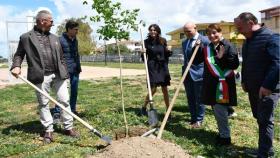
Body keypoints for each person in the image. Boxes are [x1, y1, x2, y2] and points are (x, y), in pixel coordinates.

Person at [10, 10, 79, 144]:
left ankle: (68, 127)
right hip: (41, 76)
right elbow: (19, 54)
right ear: (43, 21)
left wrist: (64, 70)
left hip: (58, 75)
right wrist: (16, 65)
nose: (53, 24)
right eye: (51, 21)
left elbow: (61, 57)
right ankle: (48, 129)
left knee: (64, 100)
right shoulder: (26, 37)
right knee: (43, 103)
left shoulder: (54, 38)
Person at [234, 12, 279, 157]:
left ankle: (264, 153)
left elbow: (277, 64)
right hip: (253, 87)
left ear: (251, 23)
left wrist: (267, 86)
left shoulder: (271, 38)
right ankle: (265, 149)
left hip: (267, 89)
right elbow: (246, 63)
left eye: (240, 28)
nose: (238, 31)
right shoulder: (248, 40)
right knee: (259, 118)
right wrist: (244, 81)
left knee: (265, 121)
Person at [197, 24, 239, 145]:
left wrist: (221, 58)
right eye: (209, 33)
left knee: (220, 112)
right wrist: (197, 48)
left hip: (223, 86)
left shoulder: (228, 46)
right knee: (217, 111)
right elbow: (198, 60)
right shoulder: (208, 47)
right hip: (211, 84)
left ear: (220, 33)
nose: (212, 35)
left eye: (214, 32)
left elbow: (234, 65)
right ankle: (222, 133)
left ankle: (225, 138)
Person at [140, 24, 172, 115]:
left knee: (164, 89)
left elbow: (166, 55)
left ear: (158, 31)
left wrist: (169, 51)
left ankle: (168, 110)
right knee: (153, 89)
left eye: (154, 30)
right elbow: (144, 58)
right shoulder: (146, 42)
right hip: (152, 67)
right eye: (151, 30)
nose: (152, 31)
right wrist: (142, 53)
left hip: (162, 67)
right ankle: (144, 107)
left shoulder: (163, 41)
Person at [182, 22, 209, 128]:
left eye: (189, 31)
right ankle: (193, 118)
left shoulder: (205, 40)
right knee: (190, 97)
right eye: (185, 32)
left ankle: (199, 120)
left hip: (199, 73)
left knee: (199, 98)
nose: (187, 33)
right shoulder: (185, 42)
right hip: (187, 74)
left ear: (195, 28)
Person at [53, 20, 81, 116]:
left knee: (74, 91)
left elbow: (76, 55)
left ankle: (72, 110)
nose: (77, 32)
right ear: (69, 29)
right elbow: (57, 56)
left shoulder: (75, 40)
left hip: (75, 70)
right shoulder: (60, 40)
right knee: (62, 93)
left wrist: (78, 67)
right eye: (75, 29)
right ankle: (57, 111)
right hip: (64, 71)